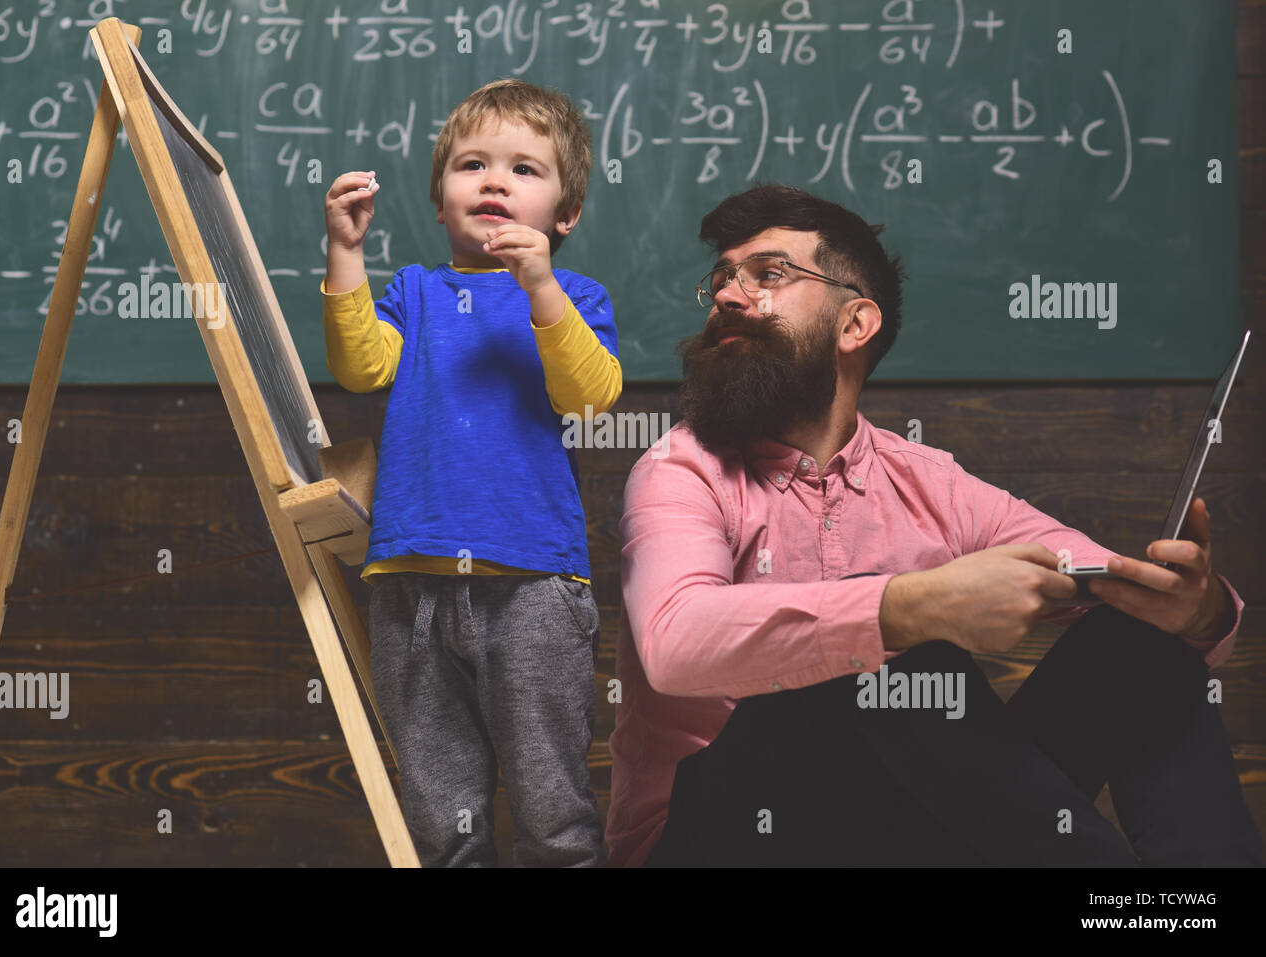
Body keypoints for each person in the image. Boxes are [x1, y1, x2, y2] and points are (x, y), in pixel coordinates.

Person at [606, 183, 1261, 867]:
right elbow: (674, 641)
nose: (728, 296)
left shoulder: (934, 482)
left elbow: (1109, 577)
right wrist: (906, 606)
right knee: (894, 664)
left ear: (855, 324)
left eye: (768, 274)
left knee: (1138, 638)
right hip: (714, 843)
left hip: (899, 841)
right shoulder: (680, 466)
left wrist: (1195, 607)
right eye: (720, 281)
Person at [320, 78, 620, 866]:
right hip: (408, 584)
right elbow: (361, 368)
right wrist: (346, 253)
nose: (493, 180)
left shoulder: (577, 295)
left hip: (532, 588)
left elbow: (588, 398)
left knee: (552, 813)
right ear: (440, 196)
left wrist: (542, 289)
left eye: (525, 169)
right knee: (442, 824)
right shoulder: (415, 292)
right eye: (472, 164)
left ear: (566, 214)